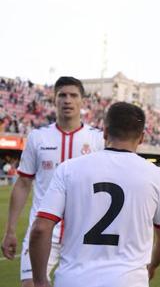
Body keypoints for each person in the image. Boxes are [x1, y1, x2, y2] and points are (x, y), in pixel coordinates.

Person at [29, 102, 160, 287]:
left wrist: (40, 281)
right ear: (141, 138)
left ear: (105, 133)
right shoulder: (159, 177)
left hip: (73, 280)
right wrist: (152, 266)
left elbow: (40, 229)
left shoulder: (68, 169)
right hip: (128, 281)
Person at [1, 77, 105, 287]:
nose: (68, 100)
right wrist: (10, 230)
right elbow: (23, 184)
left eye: (73, 95)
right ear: (54, 100)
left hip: (83, 234)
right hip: (43, 230)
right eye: (62, 95)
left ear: (82, 101)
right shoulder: (38, 137)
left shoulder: (98, 139)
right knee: (30, 284)